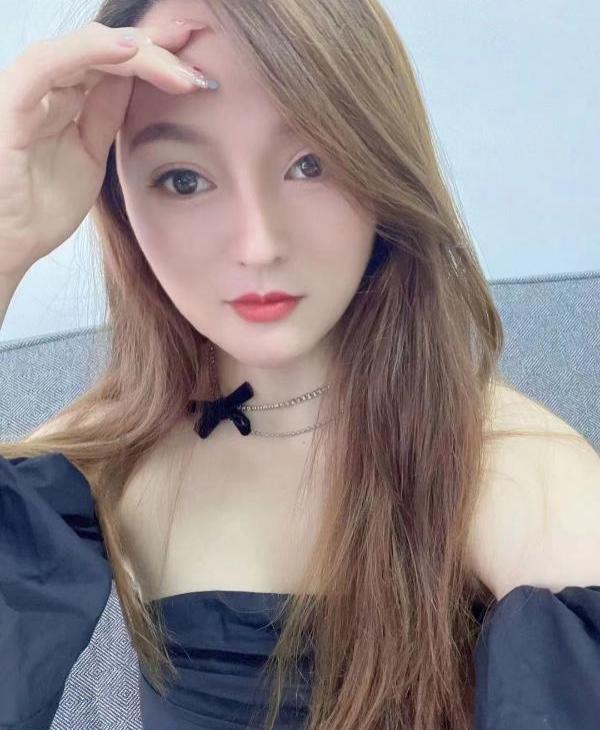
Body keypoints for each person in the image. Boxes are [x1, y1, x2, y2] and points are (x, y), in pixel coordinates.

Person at [1, 1, 599, 729]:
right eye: (183, 179)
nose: (258, 243)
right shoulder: (86, 464)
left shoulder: (506, 469)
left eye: (311, 164)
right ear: (120, 198)